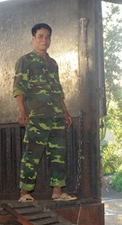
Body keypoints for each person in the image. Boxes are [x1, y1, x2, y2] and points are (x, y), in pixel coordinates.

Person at [13, 23, 76, 203]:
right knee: (32, 154)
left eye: (47, 36)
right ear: (33, 39)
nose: (44, 40)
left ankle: (58, 192)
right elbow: (18, 87)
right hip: (37, 115)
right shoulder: (25, 61)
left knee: (58, 154)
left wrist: (65, 112)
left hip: (56, 115)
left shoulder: (53, 63)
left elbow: (58, 90)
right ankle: (24, 194)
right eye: (40, 36)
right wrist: (22, 111)